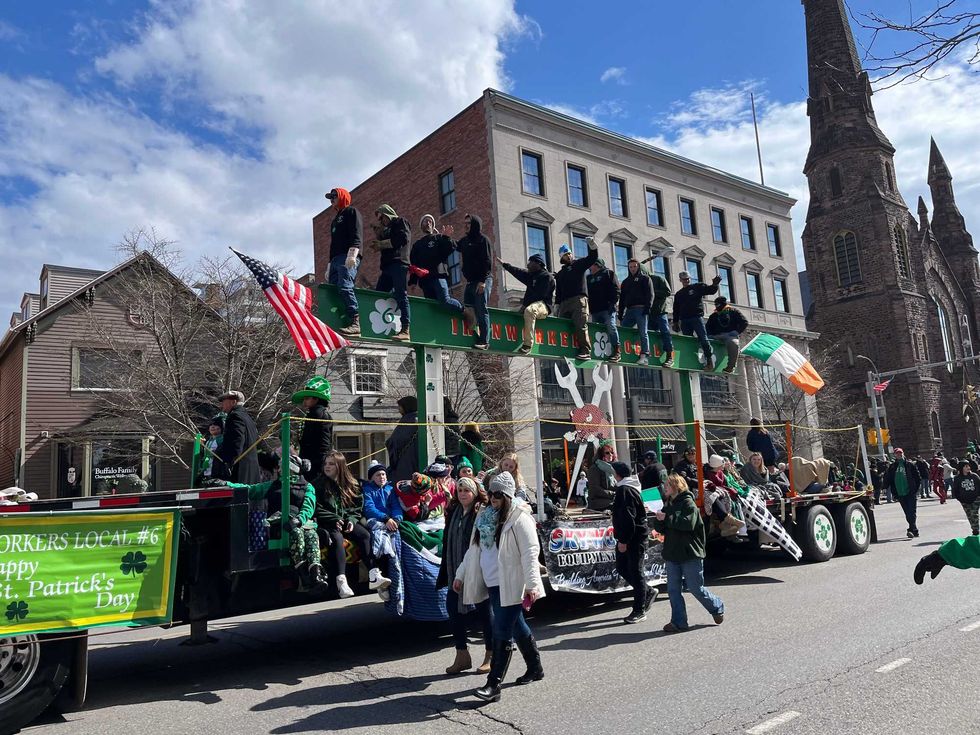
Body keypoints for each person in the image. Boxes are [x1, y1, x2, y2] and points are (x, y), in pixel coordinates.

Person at [453, 472, 546, 702]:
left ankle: (493, 685)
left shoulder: (519, 518)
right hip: (492, 582)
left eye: (498, 494)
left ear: (507, 495)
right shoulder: (485, 515)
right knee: (517, 627)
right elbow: (474, 550)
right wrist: (461, 574)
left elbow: (530, 553)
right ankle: (535, 668)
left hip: (512, 583)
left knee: (501, 631)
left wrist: (532, 584)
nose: (492, 498)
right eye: (490, 493)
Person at [234, 454, 326, 590]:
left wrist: (299, 519)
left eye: (283, 465)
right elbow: (250, 490)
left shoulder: (307, 487)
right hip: (280, 524)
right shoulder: (273, 485)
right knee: (296, 534)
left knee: (311, 536)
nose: (279, 469)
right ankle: (303, 575)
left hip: (301, 522)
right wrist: (228, 485)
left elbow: (308, 506)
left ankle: (315, 574)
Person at [653, 474, 725, 632]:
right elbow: (661, 528)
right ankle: (679, 622)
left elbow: (688, 524)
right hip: (672, 553)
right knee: (673, 590)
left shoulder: (688, 503)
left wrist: (668, 517)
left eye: (668, 485)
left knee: (695, 588)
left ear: (676, 486)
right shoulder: (668, 504)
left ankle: (716, 606)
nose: (665, 487)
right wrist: (658, 519)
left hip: (690, 553)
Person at [438, 476, 493, 675]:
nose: (462, 494)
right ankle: (462, 655)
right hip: (455, 570)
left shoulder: (482, 512)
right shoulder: (454, 511)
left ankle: (491, 654)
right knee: (453, 610)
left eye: (466, 491)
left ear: (475, 492)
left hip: (476, 569)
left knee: (485, 613)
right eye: (460, 490)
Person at [314, 451, 372, 599]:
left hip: (346, 520)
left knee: (364, 534)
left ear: (340, 466)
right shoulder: (317, 484)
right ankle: (341, 580)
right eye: (325, 464)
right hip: (327, 523)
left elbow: (356, 507)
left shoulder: (351, 484)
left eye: (331, 464)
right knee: (337, 539)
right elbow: (317, 508)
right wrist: (334, 519)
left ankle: (374, 572)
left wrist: (351, 521)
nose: (327, 467)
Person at [611, 461, 656, 623]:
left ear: (618, 474)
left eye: (613, 472)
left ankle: (639, 610)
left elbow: (627, 518)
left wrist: (623, 540)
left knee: (636, 572)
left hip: (633, 538)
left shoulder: (625, 490)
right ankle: (647, 591)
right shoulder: (628, 488)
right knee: (622, 568)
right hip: (632, 536)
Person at [324, 187, 363, 338]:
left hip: (347, 256)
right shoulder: (334, 220)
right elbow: (333, 245)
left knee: (345, 286)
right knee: (335, 288)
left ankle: (355, 321)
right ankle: (341, 320)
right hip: (335, 259)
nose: (331, 199)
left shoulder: (351, 212)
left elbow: (356, 233)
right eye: (330, 197)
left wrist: (353, 253)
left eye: (334, 196)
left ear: (342, 197)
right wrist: (329, 265)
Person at [498, 252, 555, 355]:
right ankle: (511, 346)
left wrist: (524, 305)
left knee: (529, 310)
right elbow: (518, 272)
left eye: (530, 262)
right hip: (530, 304)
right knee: (511, 312)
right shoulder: (531, 276)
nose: (528, 265)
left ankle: (528, 345)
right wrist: (505, 265)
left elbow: (540, 294)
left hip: (543, 306)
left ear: (538, 263)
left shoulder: (547, 277)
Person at [371, 204, 412, 341]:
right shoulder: (386, 229)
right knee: (379, 294)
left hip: (399, 263)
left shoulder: (400, 222)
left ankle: (406, 328)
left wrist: (382, 244)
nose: (381, 221)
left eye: (382, 217)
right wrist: (379, 237)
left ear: (387, 214)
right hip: (387, 266)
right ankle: (379, 323)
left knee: (401, 293)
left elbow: (402, 239)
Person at [554, 237, 599, 361]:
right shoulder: (561, 273)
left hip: (579, 300)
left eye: (569, 253)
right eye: (565, 255)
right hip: (564, 303)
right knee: (563, 326)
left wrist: (592, 246)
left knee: (580, 325)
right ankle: (566, 350)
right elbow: (559, 291)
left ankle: (585, 350)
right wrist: (557, 305)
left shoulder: (578, 264)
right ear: (562, 258)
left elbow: (592, 258)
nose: (568, 256)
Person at [619, 258, 669, 367]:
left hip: (641, 308)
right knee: (622, 328)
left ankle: (645, 354)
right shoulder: (626, 282)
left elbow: (650, 294)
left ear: (638, 267)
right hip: (629, 310)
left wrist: (647, 308)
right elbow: (622, 298)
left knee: (643, 331)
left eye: (634, 266)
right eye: (630, 267)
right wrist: (620, 312)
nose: (632, 269)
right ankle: (621, 350)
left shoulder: (645, 279)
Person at [361, 460, 400, 596]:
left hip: (390, 521)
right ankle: (381, 583)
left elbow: (396, 507)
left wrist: (396, 519)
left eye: (383, 474)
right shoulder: (367, 490)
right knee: (381, 541)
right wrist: (385, 518)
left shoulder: (390, 490)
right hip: (376, 520)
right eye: (378, 475)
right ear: (371, 477)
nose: (381, 477)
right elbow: (369, 508)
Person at [411, 214, 462, 314]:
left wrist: (446, 237)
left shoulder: (439, 238)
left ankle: (465, 310)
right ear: (421, 226)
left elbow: (450, 248)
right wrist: (413, 281)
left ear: (433, 225)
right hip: (425, 281)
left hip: (439, 277)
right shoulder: (417, 245)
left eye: (430, 221)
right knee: (433, 306)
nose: (428, 223)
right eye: (425, 221)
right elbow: (414, 264)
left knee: (444, 300)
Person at [457, 214, 494, 349]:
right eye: (465, 223)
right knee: (468, 309)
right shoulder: (465, 241)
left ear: (475, 225)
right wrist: (441, 236)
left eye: (468, 223)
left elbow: (488, 261)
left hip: (483, 280)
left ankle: (485, 341)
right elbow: (455, 246)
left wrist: (483, 281)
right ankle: (476, 335)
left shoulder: (483, 240)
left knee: (480, 308)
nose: (466, 225)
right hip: (470, 281)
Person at [671, 271, 721, 370]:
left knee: (703, 338)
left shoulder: (697, 287)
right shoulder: (679, 294)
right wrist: (675, 322)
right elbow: (676, 309)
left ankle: (709, 359)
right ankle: (689, 361)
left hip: (696, 317)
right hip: (685, 320)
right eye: (684, 279)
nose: (686, 281)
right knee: (687, 341)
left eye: (688, 279)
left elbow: (710, 290)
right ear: (680, 280)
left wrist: (715, 284)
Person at [292, 377, 333, 482]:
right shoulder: (312, 413)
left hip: (315, 464)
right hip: (310, 461)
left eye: (307, 398)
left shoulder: (318, 414)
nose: (304, 401)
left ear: (316, 399)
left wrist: (319, 464)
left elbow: (324, 444)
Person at [216, 390, 261, 484]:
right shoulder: (247, 417)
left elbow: (237, 440)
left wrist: (229, 461)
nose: (222, 404)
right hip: (251, 466)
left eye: (224, 400)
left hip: (240, 467)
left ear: (233, 402)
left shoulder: (234, 416)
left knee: (238, 496)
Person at [586, 258, 621, 362]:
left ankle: (617, 350)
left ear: (597, 265)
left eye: (591, 265)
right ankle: (600, 352)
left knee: (611, 326)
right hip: (595, 310)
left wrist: (613, 303)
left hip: (607, 309)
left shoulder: (609, 274)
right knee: (597, 331)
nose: (589, 268)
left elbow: (616, 290)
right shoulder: (589, 278)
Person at [705, 296, 748, 375]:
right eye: (716, 305)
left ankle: (730, 367)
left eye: (718, 304)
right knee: (705, 341)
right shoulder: (713, 316)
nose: (717, 307)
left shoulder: (734, 311)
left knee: (733, 344)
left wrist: (736, 332)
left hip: (730, 336)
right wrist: (709, 335)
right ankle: (708, 363)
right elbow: (707, 327)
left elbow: (744, 322)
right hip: (716, 336)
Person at [885, 448, 922, 538]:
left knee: (911, 512)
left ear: (903, 453)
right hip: (899, 492)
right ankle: (913, 530)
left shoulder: (910, 465)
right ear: (894, 455)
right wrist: (884, 487)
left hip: (910, 492)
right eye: (897, 453)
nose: (899, 455)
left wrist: (915, 489)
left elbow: (917, 477)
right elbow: (889, 478)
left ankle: (912, 529)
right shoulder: (893, 466)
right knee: (907, 512)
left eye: (900, 453)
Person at [386, 396, 419, 483]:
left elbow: (394, 441)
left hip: (407, 462)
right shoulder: (417, 419)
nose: (399, 410)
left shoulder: (409, 420)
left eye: (400, 407)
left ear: (406, 406)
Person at [950, 460, 980, 535]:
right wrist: (960, 498)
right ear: (961, 468)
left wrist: (978, 496)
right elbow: (955, 490)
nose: (968, 468)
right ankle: (974, 529)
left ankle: (976, 530)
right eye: (966, 466)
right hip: (964, 500)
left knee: (974, 513)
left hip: (975, 499)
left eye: (969, 466)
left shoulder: (974, 476)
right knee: (969, 515)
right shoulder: (957, 478)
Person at [587, 442, 617, 511]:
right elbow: (595, 488)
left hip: (611, 500)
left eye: (612, 452)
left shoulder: (612, 468)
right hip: (599, 503)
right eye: (607, 453)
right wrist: (613, 494)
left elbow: (614, 485)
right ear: (601, 455)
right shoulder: (595, 468)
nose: (610, 455)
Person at [201, 416, 230, 482]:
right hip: (207, 468)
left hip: (217, 468)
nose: (213, 427)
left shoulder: (222, 439)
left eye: (216, 425)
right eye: (211, 425)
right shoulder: (208, 441)